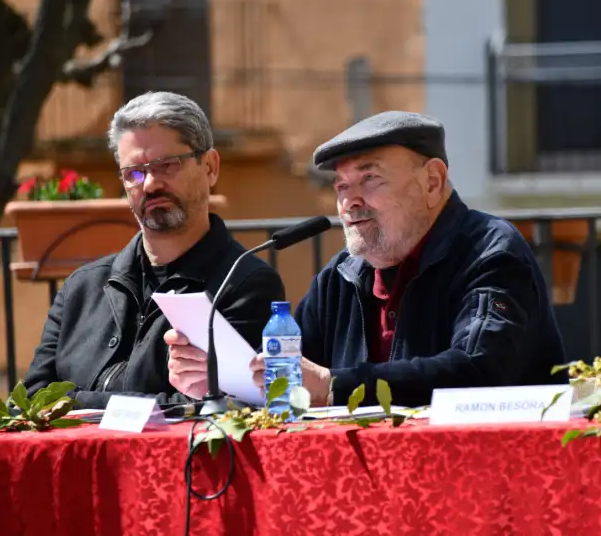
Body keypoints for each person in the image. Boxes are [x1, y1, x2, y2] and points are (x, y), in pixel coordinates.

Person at [167, 110, 566, 408]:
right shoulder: (341, 275)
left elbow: (478, 370)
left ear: (432, 181)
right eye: (341, 186)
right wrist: (222, 381)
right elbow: (296, 377)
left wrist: (336, 385)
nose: (349, 201)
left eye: (370, 179)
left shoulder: (490, 251)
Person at [22, 91, 285, 409]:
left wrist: (77, 404)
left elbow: (216, 408)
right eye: (134, 173)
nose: (149, 184)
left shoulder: (245, 284)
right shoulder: (81, 287)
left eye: (166, 166)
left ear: (210, 167)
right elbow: (31, 400)